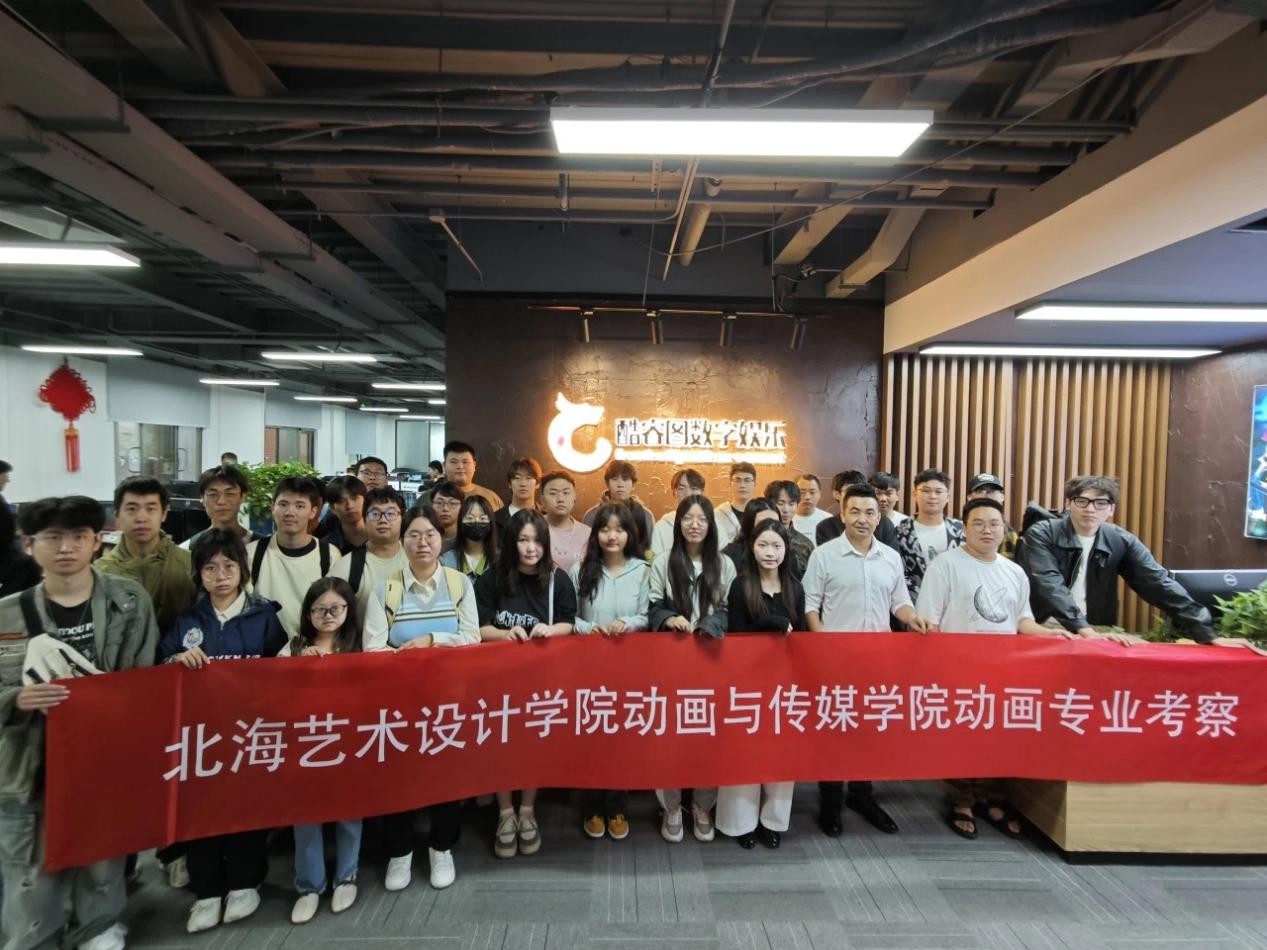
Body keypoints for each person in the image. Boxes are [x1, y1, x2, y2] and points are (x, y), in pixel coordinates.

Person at [0, 496, 158, 950]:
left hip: (102, 753)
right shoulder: (7, 614)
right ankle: (35, 936)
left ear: (96, 542)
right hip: (28, 759)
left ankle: (98, 926)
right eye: (52, 537)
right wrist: (16, 698)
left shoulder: (129, 601)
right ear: (29, 544)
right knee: (30, 862)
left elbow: (143, 678)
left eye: (78, 536)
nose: (66, 548)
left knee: (101, 849)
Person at [915, 498, 1069, 839]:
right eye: (978, 523)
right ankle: (960, 801)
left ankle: (990, 797)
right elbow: (930, 623)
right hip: (958, 670)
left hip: (1003, 672)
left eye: (994, 523)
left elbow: (1022, 621)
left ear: (1004, 529)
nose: (987, 530)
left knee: (997, 736)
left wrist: (1052, 635)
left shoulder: (1014, 572)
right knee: (961, 738)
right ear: (964, 528)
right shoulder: (945, 565)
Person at [160, 530, 286, 933]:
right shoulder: (188, 620)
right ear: (199, 574)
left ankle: (246, 884)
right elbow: (160, 667)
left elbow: (283, 670)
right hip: (201, 736)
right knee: (202, 812)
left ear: (242, 570)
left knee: (246, 808)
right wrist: (175, 660)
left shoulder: (263, 616)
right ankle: (208, 890)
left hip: (250, 731)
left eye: (229, 566)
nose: (220, 576)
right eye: (210, 568)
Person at [803, 484, 933, 838]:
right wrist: (820, 646)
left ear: (879, 517)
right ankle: (830, 800)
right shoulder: (824, 555)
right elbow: (810, 605)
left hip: (877, 661)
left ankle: (862, 795)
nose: (862, 519)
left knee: (870, 730)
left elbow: (899, 602)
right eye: (855, 511)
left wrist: (912, 618)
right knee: (835, 730)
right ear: (843, 515)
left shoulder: (890, 557)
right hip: (835, 661)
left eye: (870, 512)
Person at [362, 508, 480, 888]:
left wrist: (432, 641)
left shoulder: (459, 584)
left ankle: (441, 847)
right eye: (414, 535)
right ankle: (400, 853)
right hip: (401, 703)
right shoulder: (387, 588)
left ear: (440, 539)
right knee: (401, 778)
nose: (422, 542)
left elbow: (472, 639)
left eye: (430, 535)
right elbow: (372, 649)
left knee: (446, 776)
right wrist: (407, 661)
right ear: (403, 541)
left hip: (449, 701)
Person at [1021, 475, 1253, 651]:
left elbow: (1158, 583)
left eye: (1100, 503)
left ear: (1111, 509)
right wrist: (1084, 630)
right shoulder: (1042, 533)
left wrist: (1207, 633)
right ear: (1068, 504)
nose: (1090, 509)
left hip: (1098, 628)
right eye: (1082, 501)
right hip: (1045, 625)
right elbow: (1049, 583)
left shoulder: (1120, 540)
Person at [476, 510, 577, 859]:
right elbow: (477, 626)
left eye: (536, 540)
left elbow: (569, 622)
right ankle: (505, 812)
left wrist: (551, 630)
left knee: (533, 745)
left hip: (540, 679)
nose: (530, 548)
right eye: (522, 540)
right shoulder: (493, 578)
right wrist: (503, 635)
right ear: (511, 542)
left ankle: (528, 810)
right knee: (501, 745)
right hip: (498, 679)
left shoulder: (558, 579)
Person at [647, 495, 736, 845]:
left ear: (711, 525)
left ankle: (702, 805)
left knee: (708, 737)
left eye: (702, 519)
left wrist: (711, 623)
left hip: (711, 662)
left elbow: (730, 608)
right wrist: (670, 617)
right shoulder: (663, 563)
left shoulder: (724, 564)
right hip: (671, 664)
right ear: (678, 523)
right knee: (669, 737)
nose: (695, 525)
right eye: (688, 518)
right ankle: (670, 807)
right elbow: (652, 605)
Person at [281, 577, 365, 921]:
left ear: (348, 610)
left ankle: (346, 876)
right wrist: (297, 664)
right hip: (305, 744)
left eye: (335, 608)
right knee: (305, 815)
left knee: (349, 812)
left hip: (349, 742)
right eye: (319, 610)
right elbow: (269, 688)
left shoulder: (359, 647)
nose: (328, 616)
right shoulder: (293, 646)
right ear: (308, 613)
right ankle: (309, 885)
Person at [718, 520, 805, 849]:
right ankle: (741, 823)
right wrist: (769, 623)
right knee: (745, 754)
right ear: (751, 548)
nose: (770, 552)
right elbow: (736, 635)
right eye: (763, 545)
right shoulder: (741, 586)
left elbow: (802, 637)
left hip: (784, 685)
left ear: (786, 549)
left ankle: (773, 821)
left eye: (777, 546)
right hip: (748, 684)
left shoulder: (795, 587)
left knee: (780, 756)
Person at [569, 503, 650, 842]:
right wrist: (589, 628)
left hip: (629, 670)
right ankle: (591, 806)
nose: (612, 536)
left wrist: (628, 623)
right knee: (592, 739)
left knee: (622, 741)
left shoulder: (643, 571)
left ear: (630, 534)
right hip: (589, 669)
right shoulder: (580, 569)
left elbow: (648, 615)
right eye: (605, 529)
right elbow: (568, 617)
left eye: (619, 529)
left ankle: (617, 806)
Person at [97, 476, 197, 636]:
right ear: (117, 515)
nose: (141, 518)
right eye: (132, 509)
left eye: (151, 509)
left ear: (164, 514)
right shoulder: (101, 572)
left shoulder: (189, 563)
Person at [245, 476, 340, 636]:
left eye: (300, 506)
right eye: (283, 504)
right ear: (273, 508)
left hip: (312, 646)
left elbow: (335, 610)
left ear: (313, 512)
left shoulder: (329, 555)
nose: (290, 512)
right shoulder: (252, 553)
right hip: (263, 647)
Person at [328, 487, 409, 618]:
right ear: (364, 520)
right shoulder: (347, 568)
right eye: (375, 514)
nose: (383, 520)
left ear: (402, 519)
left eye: (391, 513)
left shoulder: (417, 558)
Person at [893, 468, 965, 601]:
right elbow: (898, 574)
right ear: (915, 494)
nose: (932, 496)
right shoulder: (900, 532)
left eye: (938, 492)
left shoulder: (961, 531)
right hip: (913, 605)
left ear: (947, 497)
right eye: (926, 491)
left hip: (956, 604)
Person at [580, 460, 654, 551]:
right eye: (615, 479)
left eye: (625, 479)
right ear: (607, 483)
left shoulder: (645, 515)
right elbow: (585, 549)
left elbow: (650, 550)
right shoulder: (592, 515)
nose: (620, 484)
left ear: (633, 485)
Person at [816, 471, 899, 550]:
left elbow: (892, 555)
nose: (856, 495)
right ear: (837, 494)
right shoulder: (826, 527)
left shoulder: (885, 524)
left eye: (861, 491)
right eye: (850, 491)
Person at [182, 465, 256, 551]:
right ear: (202, 498)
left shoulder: (262, 547)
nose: (221, 501)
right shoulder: (188, 550)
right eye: (213, 495)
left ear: (243, 496)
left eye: (230, 494)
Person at [539, 470, 590, 573]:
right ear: (542, 499)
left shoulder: (587, 533)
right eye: (553, 493)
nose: (560, 499)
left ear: (574, 497)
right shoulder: (533, 529)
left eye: (566, 493)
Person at [763, 480, 815, 579]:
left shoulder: (805, 545)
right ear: (768, 504)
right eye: (780, 503)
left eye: (791, 504)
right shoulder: (758, 539)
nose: (786, 510)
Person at [430, 441, 503, 511]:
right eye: (454, 462)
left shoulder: (491, 498)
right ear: (444, 465)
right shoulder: (429, 498)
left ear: (474, 465)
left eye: (465, 462)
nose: (460, 466)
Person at [440, 495, 500, 579]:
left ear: (491, 523)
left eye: (482, 518)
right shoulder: (446, 561)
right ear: (460, 522)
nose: (476, 522)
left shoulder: (500, 560)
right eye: (470, 518)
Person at [650, 468, 705, 558]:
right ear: (674, 492)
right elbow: (654, 561)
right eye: (681, 488)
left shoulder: (714, 524)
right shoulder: (662, 527)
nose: (688, 494)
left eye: (694, 488)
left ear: (702, 492)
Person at [965, 473, 1019, 560]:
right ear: (969, 497)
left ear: (1002, 497)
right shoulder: (957, 527)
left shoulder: (1009, 533)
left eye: (992, 491)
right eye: (980, 491)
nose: (987, 495)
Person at [720, 498, 778, 569]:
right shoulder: (730, 556)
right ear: (749, 525)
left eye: (775, 523)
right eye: (762, 523)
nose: (770, 528)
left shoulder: (786, 553)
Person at [318, 476, 369, 555]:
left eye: (354, 498)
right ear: (332, 508)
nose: (350, 506)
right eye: (341, 501)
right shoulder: (325, 547)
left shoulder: (382, 537)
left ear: (365, 501)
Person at [714, 462, 757, 548]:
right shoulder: (717, 515)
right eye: (737, 480)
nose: (742, 485)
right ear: (730, 483)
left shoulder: (761, 513)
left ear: (755, 484)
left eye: (747, 480)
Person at [493, 457, 542, 529]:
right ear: (509, 484)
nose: (523, 484)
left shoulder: (547, 517)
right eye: (517, 478)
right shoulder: (495, 519)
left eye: (528, 478)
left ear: (538, 484)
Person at [792, 473, 831, 542]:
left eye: (812, 492)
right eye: (802, 492)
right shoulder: (784, 519)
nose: (807, 497)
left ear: (819, 494)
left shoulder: (829, 520)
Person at [428, 480, 465, 553]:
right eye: (439, 503)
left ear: (462, 507)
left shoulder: (467, 540)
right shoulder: (424, 539)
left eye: (452, 503)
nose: (445, 509)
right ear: (432, 505)